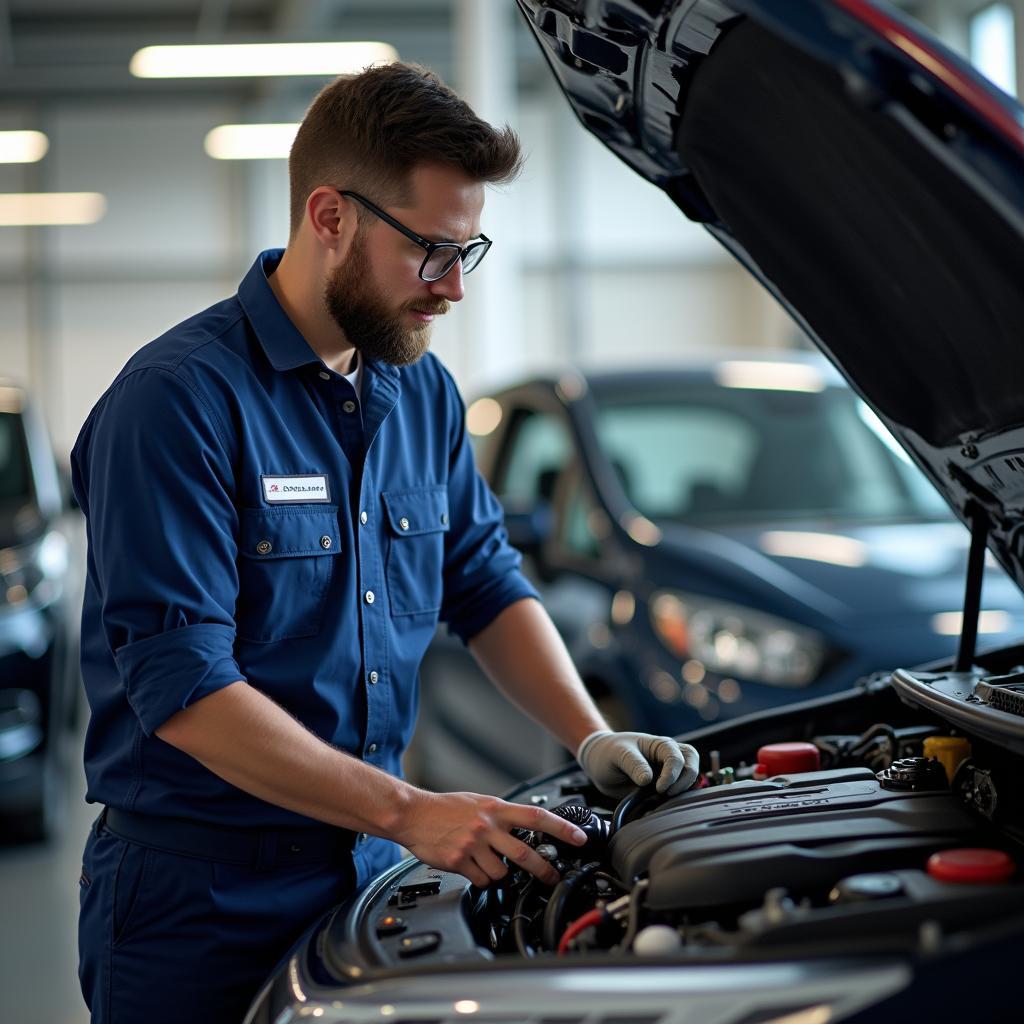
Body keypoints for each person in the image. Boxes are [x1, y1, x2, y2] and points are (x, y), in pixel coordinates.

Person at [73, 62, 700, 1024]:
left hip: (368, 871)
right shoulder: (177, 403)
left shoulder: (421, 394)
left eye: (469, 251)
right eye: (430, 252)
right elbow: (184, 687)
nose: (452, 288)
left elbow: (484, 583)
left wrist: (590, 732)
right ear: (330, 216)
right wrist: (409, 810)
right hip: (199, 900)